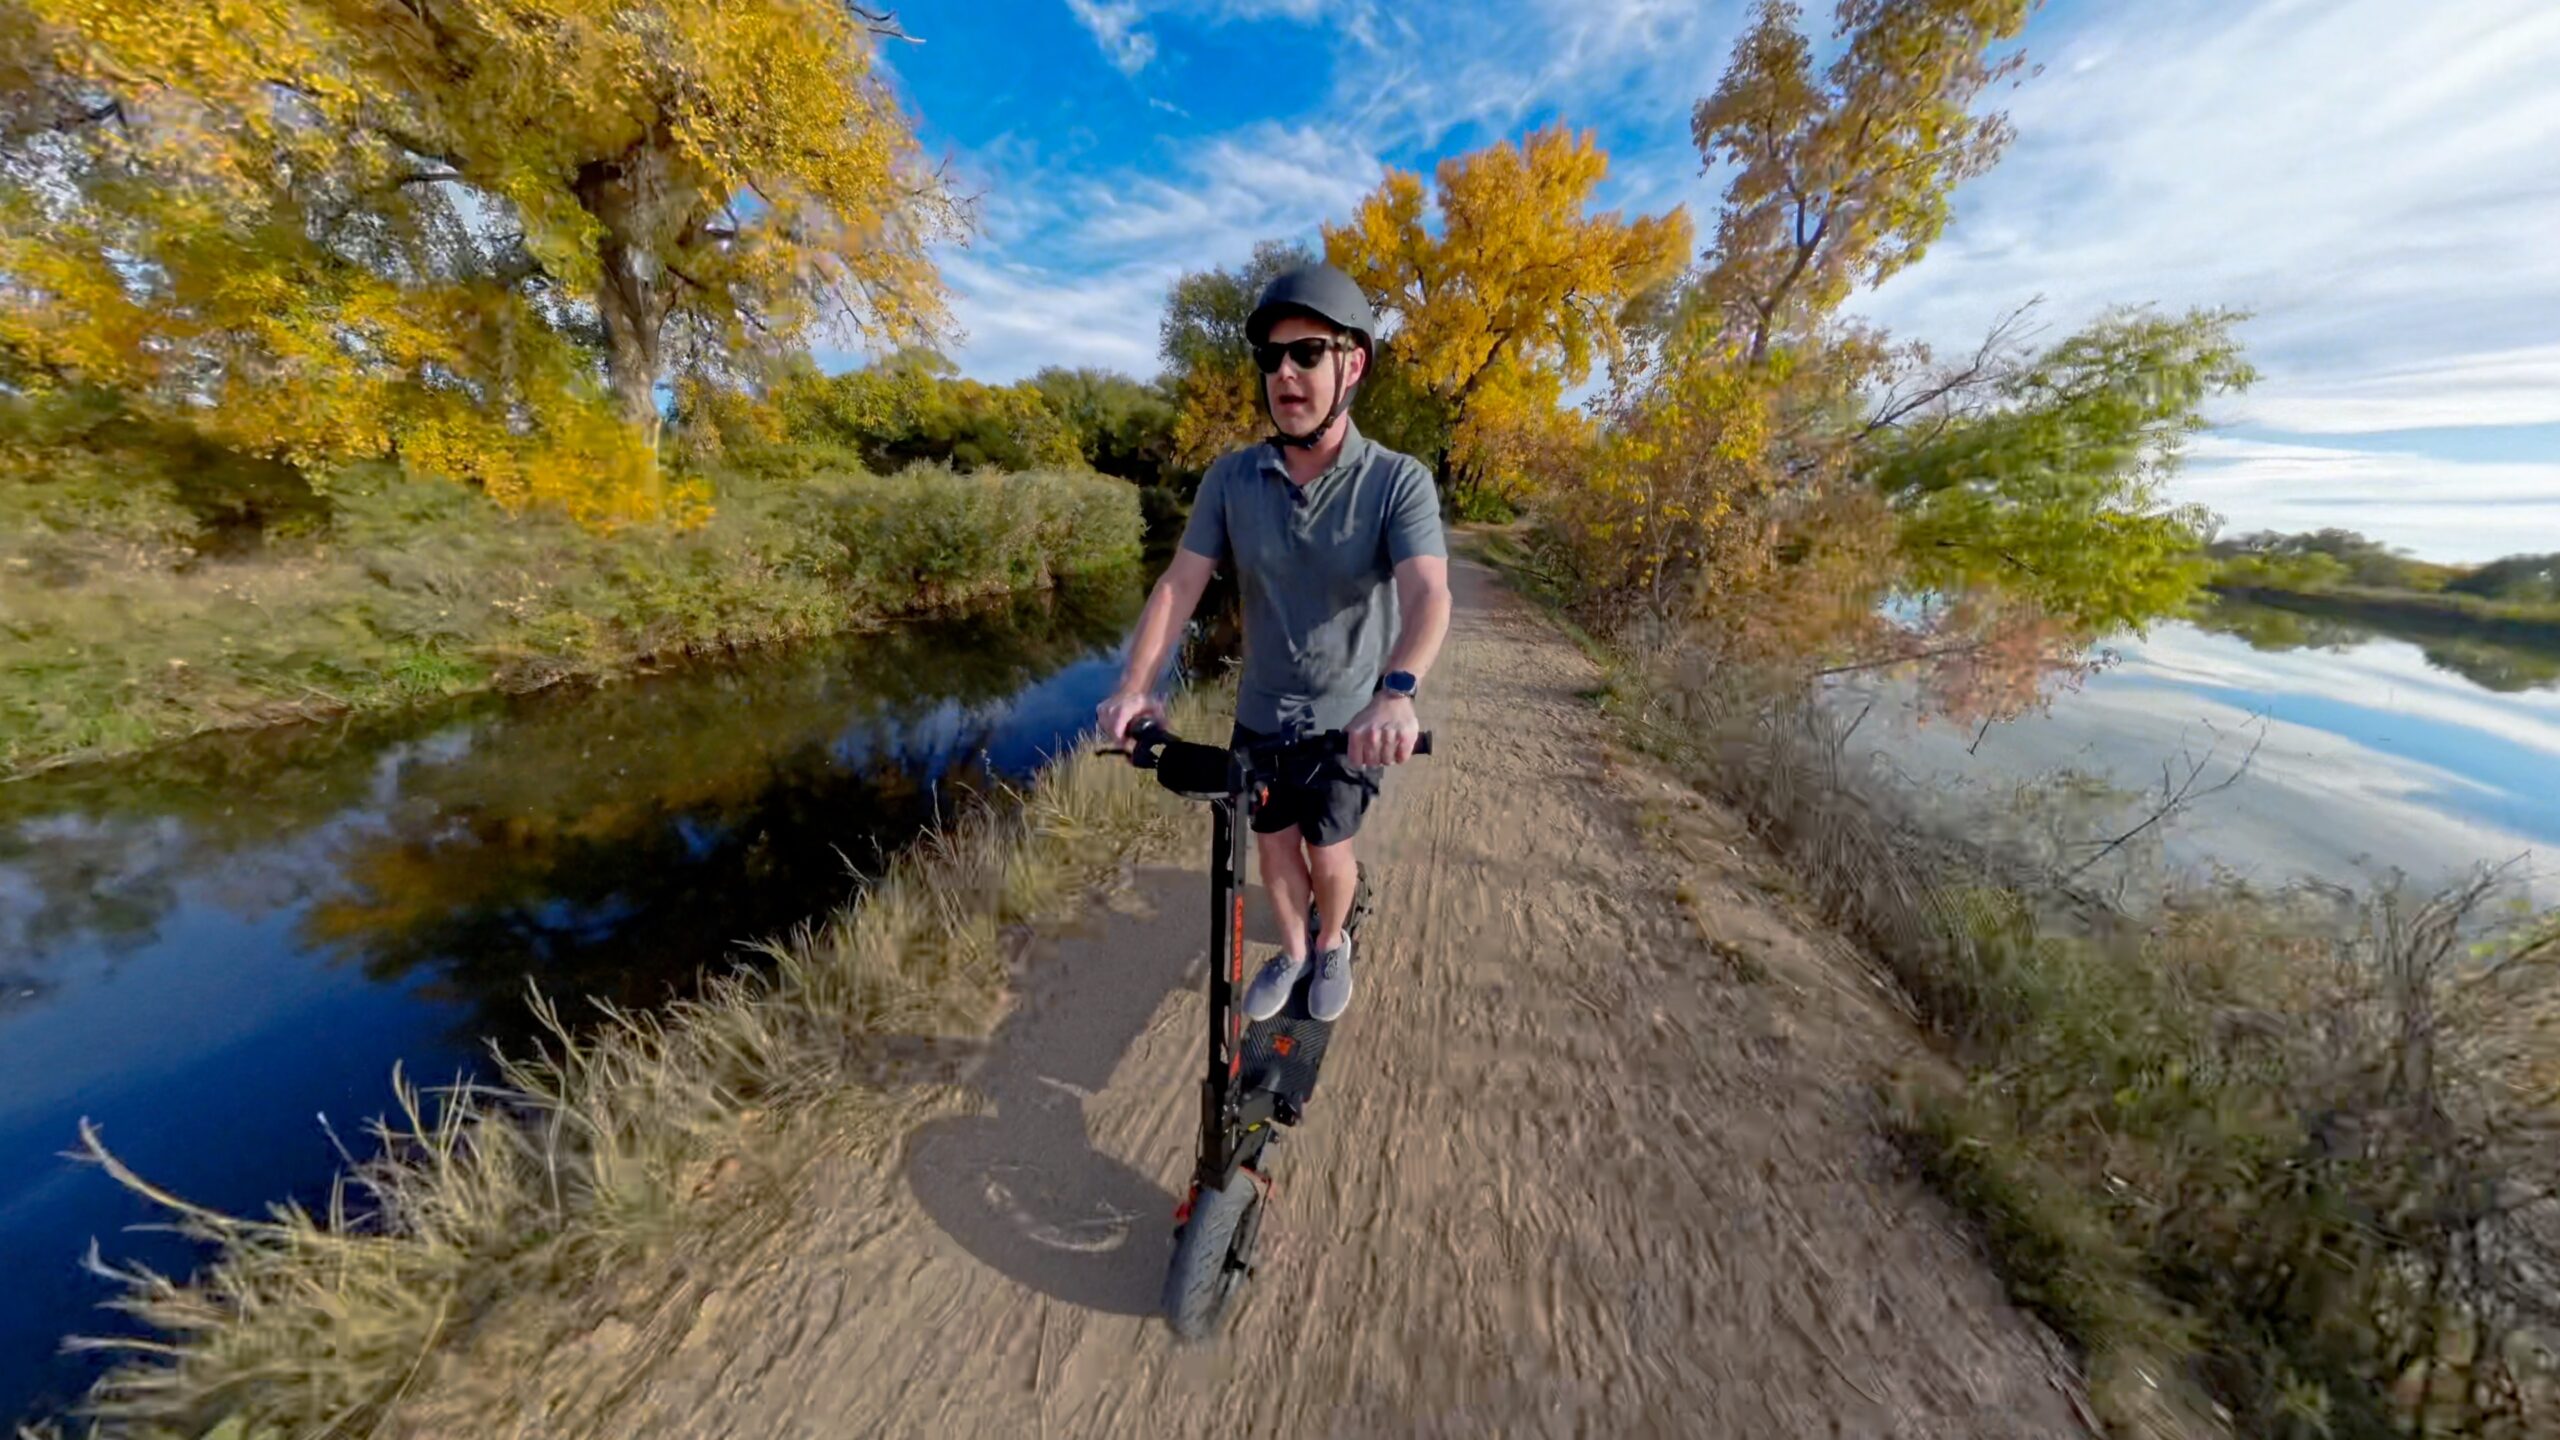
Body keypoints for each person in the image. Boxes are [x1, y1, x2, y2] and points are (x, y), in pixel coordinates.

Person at [1097, 262, 1451, 1024]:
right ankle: (1292, 950)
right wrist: (1134, 686)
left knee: (1328, 850)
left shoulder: (1397, 481)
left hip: (1349, 719)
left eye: (1308, 353)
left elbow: (1428, 593)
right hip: (1262, 711)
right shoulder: (1232, 479)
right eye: (1271, 358)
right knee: (1273, 844)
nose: (1284, 373)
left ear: (1352, 363)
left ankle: (1332, 946)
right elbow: (1179, 585)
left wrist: (1398, 693)